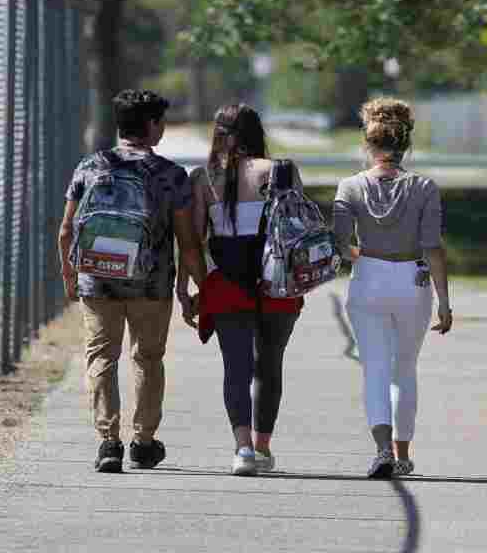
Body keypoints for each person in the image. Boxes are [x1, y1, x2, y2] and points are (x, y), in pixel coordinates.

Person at [58, 89, 209, 474]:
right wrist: (198, 288)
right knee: (147, 357)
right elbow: (187, 242)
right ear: (153, 126)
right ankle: (142, 442)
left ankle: (108, 443)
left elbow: (66, 230)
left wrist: (70, 275)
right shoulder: (170, 176)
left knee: (101, 357)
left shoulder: (91, 167)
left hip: (98, 279)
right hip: (151, 284)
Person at [178, 103, 305, 476]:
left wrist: (193, 288)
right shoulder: (281, 171)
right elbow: (298, 229)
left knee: (236, 367)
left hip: (229, 282)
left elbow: (193, 242)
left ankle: (243, 450)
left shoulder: (205, 178)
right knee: (270, 366)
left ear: (218, 134)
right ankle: (264, 448)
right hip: (277, 282)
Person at [333, 98, 452, 479]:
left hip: (368, 275)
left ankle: (382, 448)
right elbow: (433, 246)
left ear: (368, 145)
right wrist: (444, 302)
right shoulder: (425, 187)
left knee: (375, 369)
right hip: (412, 280)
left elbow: (339, 242)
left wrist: (362, 257)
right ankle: (402, 453)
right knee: (405, 368)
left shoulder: (349, 186)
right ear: (406, 145)